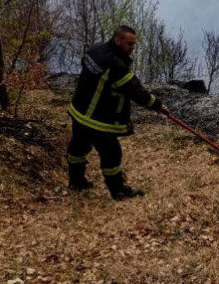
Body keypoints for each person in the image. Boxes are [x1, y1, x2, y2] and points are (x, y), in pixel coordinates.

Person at [66, 25, 168, 200]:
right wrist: (158, 106)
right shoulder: (116, 66)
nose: (132, 48)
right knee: (112, 154)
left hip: (79, 112)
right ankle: (118, 191)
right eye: (129, 44)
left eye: (134, 45)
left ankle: (76, 181)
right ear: (118, 40)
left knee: (78, 147)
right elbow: (138, 93)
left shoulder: (95, 48)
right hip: (97, 120)